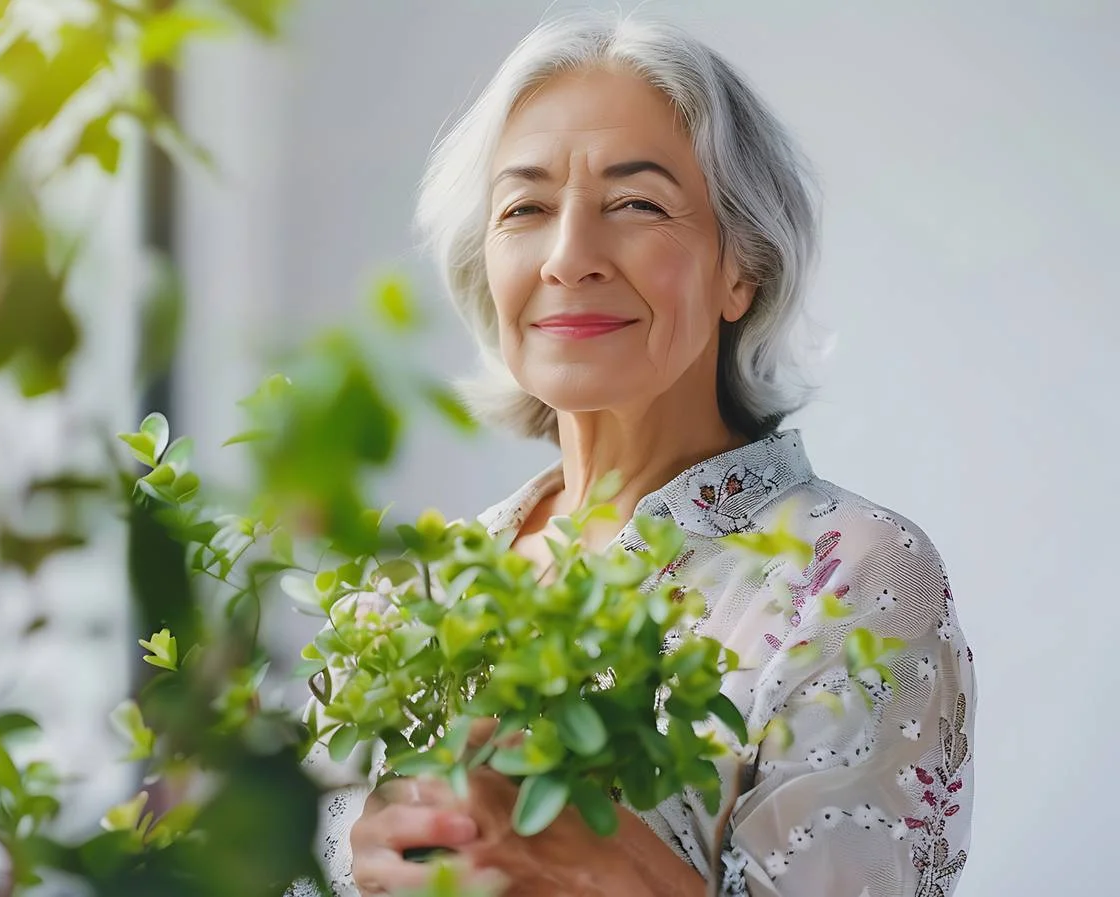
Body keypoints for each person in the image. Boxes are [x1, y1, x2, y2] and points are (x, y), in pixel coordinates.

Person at [294, 12, 976, 897]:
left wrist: (595, 862)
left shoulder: (851, 577)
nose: (569, 256)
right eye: (525, 208)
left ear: (745, 270)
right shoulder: (413, 595)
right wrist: (356, 868)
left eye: (637, 203)